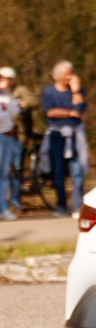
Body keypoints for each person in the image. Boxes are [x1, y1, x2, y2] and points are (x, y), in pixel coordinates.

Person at [43, 60, 88, 218]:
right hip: (57, 135)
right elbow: (51, 112)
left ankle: (78, 205)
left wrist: (76, 92)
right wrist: (69, 113)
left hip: (76, 134)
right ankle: (61, 205)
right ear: (57, 76)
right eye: (67, 75)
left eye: (71, 74)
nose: (70, 77)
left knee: (78, 170)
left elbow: (80, 109)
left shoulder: (78, 89)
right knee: (58, 172)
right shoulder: (49, 92)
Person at [0, 68, 20, 220]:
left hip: (8, 137)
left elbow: (15, 114)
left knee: (4, 175)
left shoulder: (8, 97)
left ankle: (3, 207)